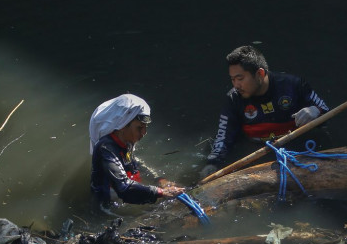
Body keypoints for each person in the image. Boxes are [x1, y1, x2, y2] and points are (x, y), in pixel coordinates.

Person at [199, 45, 330, 178]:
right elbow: (223, 138)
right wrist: (212, 163)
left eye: (240, 79)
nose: (236, 85)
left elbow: (326, 112)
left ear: (260, 74)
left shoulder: (294, 85)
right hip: (256, 153)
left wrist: (315, 111)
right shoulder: (234, 100)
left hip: (298, 149)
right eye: (233, 80)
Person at [89, 93, 184, 211]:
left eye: (145, 127)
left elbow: (134, 163)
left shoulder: (125, 141)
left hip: (130, 194)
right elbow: (124, 188)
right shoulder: (105, 148)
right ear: (123, 125)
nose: (144, 132)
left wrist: (159, 180)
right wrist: (161, 192)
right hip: (110, 206)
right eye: (139, 128)